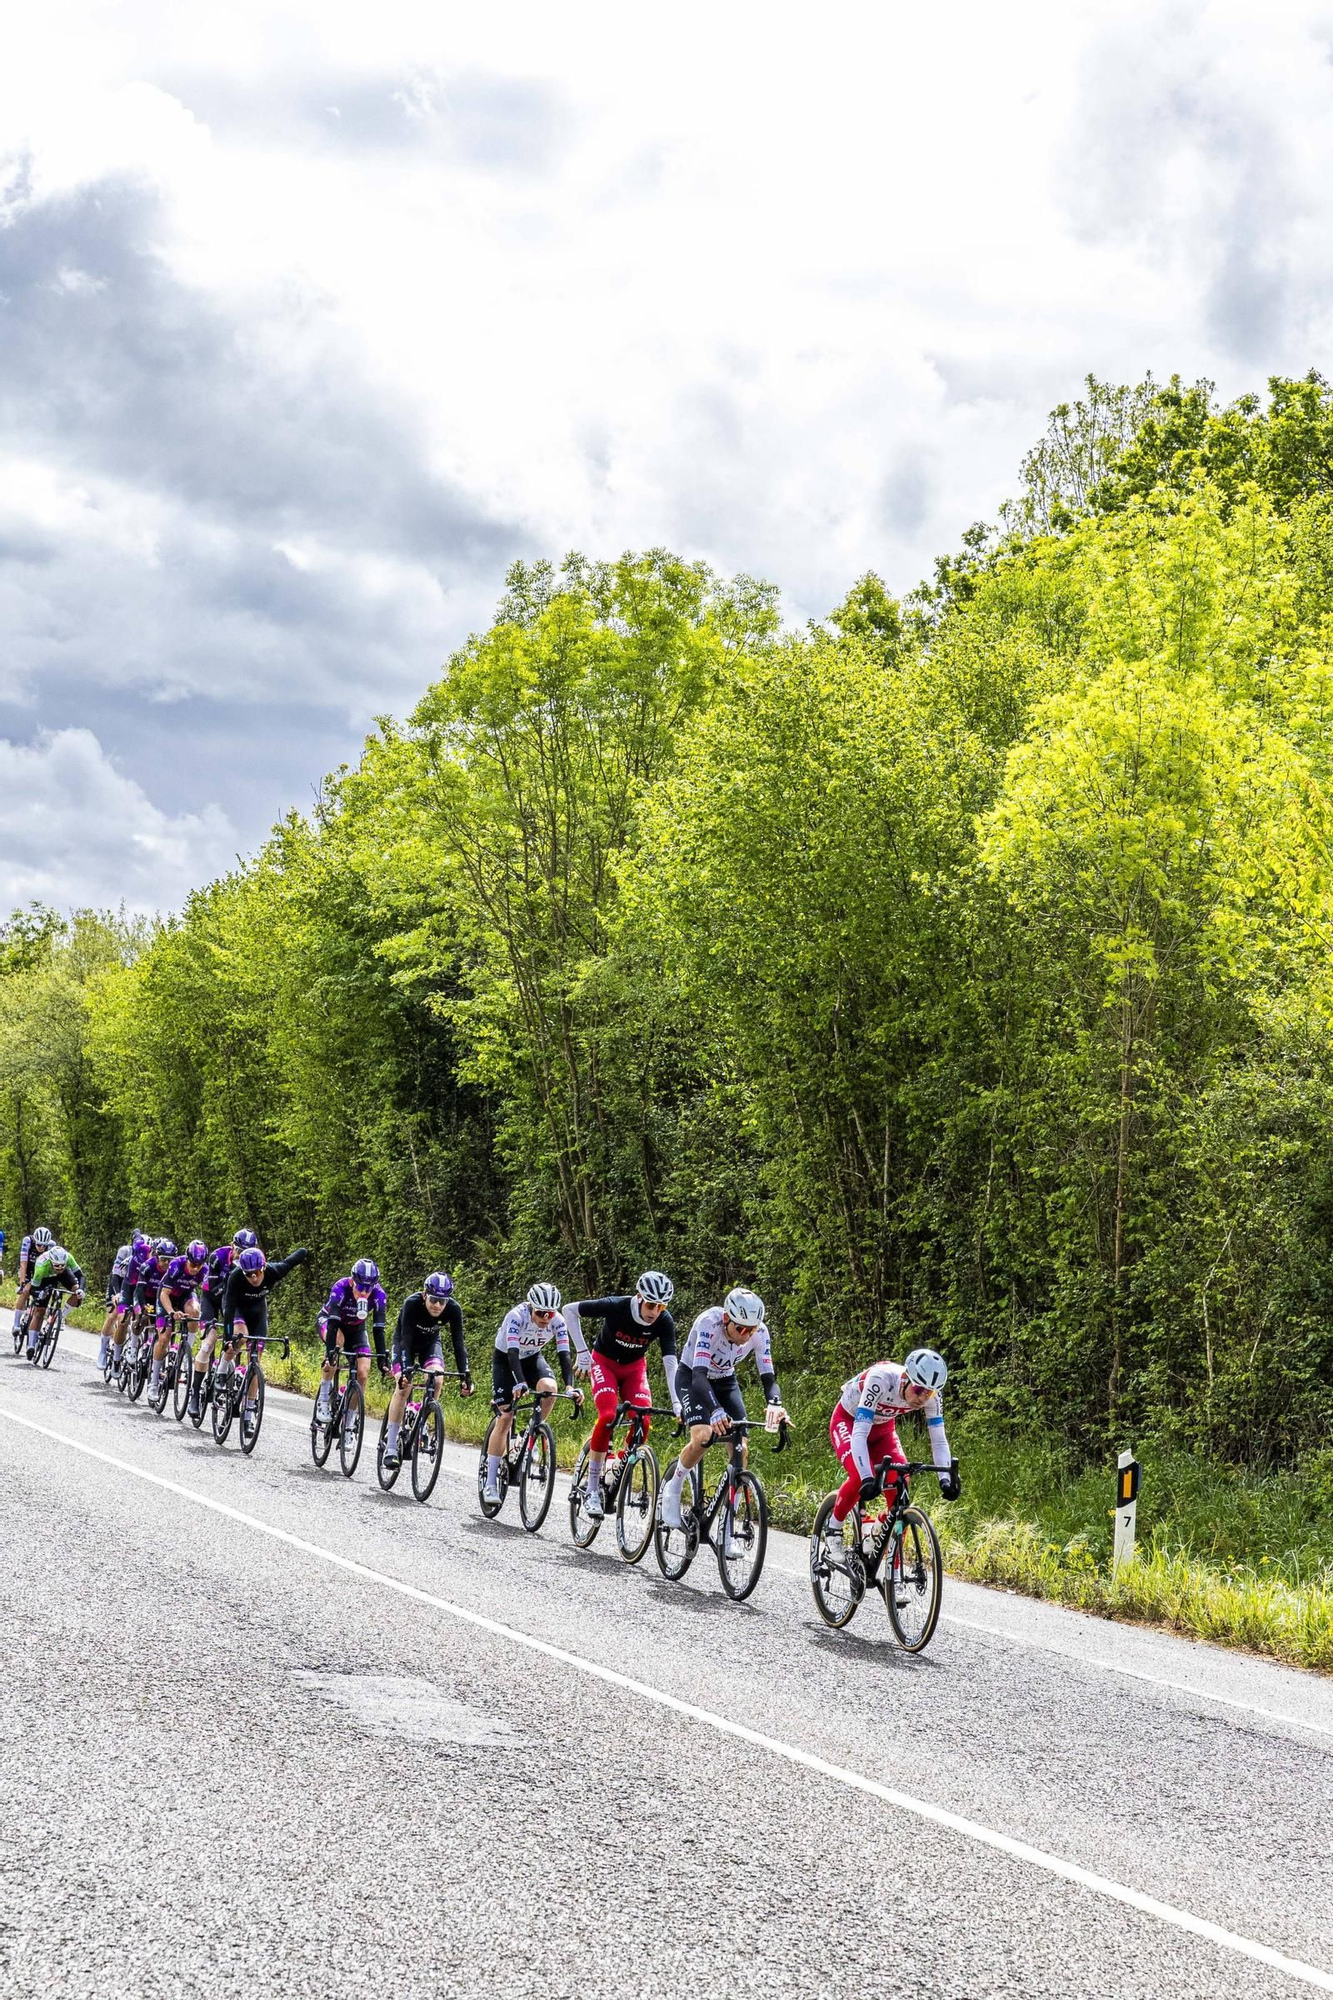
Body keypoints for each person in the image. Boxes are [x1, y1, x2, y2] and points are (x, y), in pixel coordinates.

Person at [660, 1286, 788, 1529]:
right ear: (727, 1319)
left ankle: (727, 1526)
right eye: (740, 1329)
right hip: (692, 1377)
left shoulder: (759, 1332)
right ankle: (673, 1486)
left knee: (741, 1448)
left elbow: (769, 1379)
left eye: (751, 1330)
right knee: (703, 1436)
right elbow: (699, 1376)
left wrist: (776, 1405)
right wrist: (715, 1410)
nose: (745, 1335)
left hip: (726, 1380)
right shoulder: (709, 1323)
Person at [563, 1271, 678, 1520]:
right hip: (604, 1363)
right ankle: (592, 1489)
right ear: (639, 1297)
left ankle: (616, 1469)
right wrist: (582, 1352)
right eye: (650, 1304)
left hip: (634, 1369)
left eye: (661, 1306)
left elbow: (671, 1363)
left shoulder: (664, 1321)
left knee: (643, 1421)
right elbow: (569, 1310)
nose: (654, 1311)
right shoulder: (617, 1306)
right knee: (607, 1415)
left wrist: (678, 1402)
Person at [828, 1349, 960, 1526]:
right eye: (918, 1389)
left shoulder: (932, 1398)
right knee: (861, 1477)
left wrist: (945, 1479)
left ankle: (884, 1532)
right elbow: (860, 1433)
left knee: (900, 1481)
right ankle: (833, 1528)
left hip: (883, 1429)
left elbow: (939, 1440)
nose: (922, 1398)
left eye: (929, 1393)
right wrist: (868, 1477)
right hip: (849, 1422)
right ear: (906, 1378)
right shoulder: (881, 1379)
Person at [190, 1242, 310, 1420]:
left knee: (255, 1361)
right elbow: (229, 1310)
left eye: (258, 1273)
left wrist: (304, 1252)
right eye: (249, 1274)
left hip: (258, 1313)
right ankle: (222, 1370)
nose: (254, 1278)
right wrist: (228, 1339)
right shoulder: (236, 1277)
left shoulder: (273, 1271)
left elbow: (291, 1261)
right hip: (238, 1310)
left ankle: (249, 1409)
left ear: (264, 1266)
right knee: (240, 1336)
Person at [484, 1282, 578, 1505]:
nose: (546, 1318)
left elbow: (564, 1354)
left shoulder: (558, 1321)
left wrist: (570, 1387)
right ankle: (489, 1482)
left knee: (550, 1390)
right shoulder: (516, 1316)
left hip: (533, 1358)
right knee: (506, 1417)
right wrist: (520, 1383)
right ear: (530, 1306)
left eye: (550, 1313)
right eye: (541, 1313)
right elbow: (513, 1353)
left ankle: (531, 1434)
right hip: (507, 1360)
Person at [382, 1270, 474, 1471]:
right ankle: (390, 1447)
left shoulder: (454, 1309)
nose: (438, 1305)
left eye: (443, 1301)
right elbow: (405, 1340)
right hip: (405, 1343)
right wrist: (405, 1371)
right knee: (404, 1387)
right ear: (425, 1295)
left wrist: (465, 1375)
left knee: (437, 1379)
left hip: (430, 1345)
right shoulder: (412, 1303)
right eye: (433, 1299)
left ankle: (421, 1420)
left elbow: (459, 1343)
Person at [316, 1258, 389, 1419]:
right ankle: (323, 1399)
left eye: (368, 1289)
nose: (364, 1292)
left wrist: (382, 1359)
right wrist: (330, 1354)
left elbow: (378, 1329)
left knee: (363, 1372)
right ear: (351, 1282)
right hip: (331, 1321)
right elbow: (334, 1324)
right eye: (361, 1287)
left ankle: (349, 1423)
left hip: (356, 1328)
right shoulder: (340, 1287)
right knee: (337, 1344)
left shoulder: (379, 1295)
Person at [149, 1240, 208, 1400]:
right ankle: (153, 1383)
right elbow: (163, 1294)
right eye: (193, 1264)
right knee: (164, 1336)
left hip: (185, 1296)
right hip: (166, 1297)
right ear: (187, 1259)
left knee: (195, 1312)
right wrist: (171, 1312)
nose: (196, 1268)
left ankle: (184, 1353)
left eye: (199, 1265)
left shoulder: (205, 1271)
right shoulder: (176, 1265)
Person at [19, 1244, 84, 1357]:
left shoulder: (68, 1258)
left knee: (77, 1291)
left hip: (64, 1275)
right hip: (45, 1277)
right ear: (51, 1261)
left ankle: (61, 1316)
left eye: (62, 1265)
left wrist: (80, 1290)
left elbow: (81, 1276)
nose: (59, 1268)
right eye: (57, 1266)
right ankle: (31, 1345)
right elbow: (34, 1289)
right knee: (39, 1311)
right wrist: (39, 1295)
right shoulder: (41, 1266)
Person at [98, 1233, 143, 1372]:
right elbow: (115, 1276)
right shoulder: (124, 1251)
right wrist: (117, 1293)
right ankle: (104, 1349)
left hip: (135, 1285)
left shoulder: (149, 1258)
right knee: (113, 1315)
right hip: (119, 1282)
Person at [11, 1226, 52, 1338]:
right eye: (39, 1245)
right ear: (35, 1240)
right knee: (26, 1290)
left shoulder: (52, 1246)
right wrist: (22, 1283)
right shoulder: (27, 1241)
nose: (42, 1247)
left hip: (41, 1271)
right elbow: (23, 1263)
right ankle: (16, 1324)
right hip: (28, 1267)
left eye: (44, 1245)